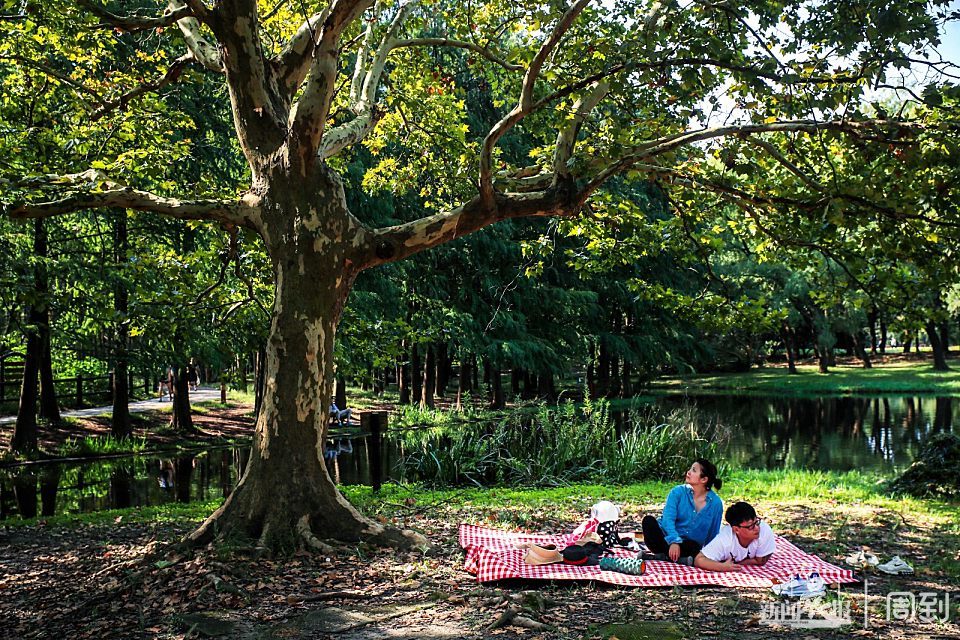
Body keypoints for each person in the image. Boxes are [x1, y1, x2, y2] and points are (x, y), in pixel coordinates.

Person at [640, 458, 723, 564]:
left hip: (688, 546)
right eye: (690, 469)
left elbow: (713, 533)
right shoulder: (677, 492)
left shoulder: (716, 504)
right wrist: (674, 541)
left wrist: (708, 556)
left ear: (704, 479)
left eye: (694, 470)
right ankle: (675, 558)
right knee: (648, 521)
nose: (688, 472)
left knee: (693, 546)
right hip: (665, 539)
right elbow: (667, 520)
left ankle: (661, 557)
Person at [695, 501, 776, 572]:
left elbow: (761, 561)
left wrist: (735, 562)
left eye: (756, 523)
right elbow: (699, 560)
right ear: (736, 529)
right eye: (750, 527)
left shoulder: (764, 530)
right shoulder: (724, 540)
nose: (757, 528)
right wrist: (722, 567)